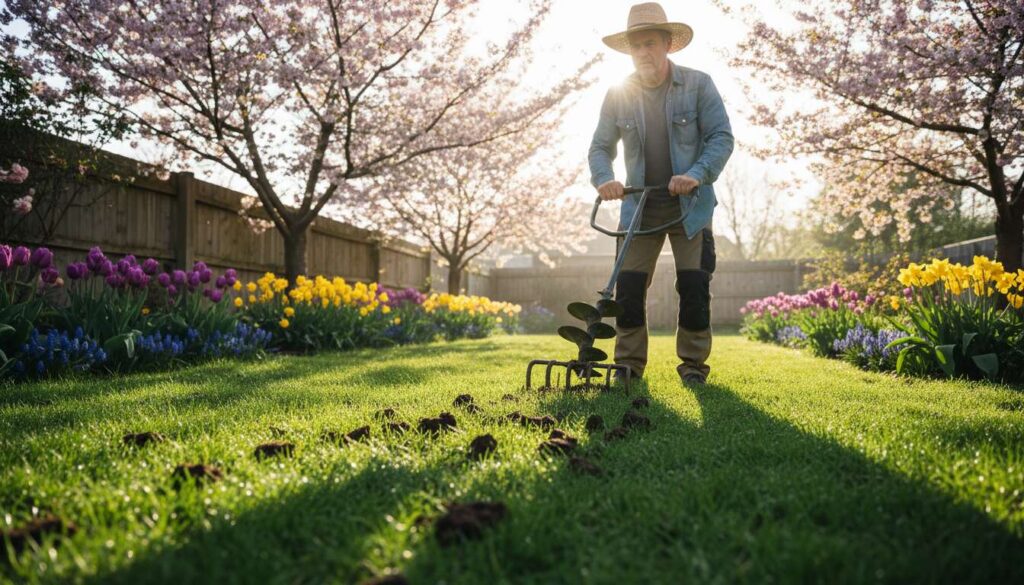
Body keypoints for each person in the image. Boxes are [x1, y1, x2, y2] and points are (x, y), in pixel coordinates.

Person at [589, 2, 734, 385]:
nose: (643, 53)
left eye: (650, 43)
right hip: (639, 208)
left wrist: (696, 173)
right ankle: (628, 367)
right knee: (629, 291)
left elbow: (721, 137)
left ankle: (692, 367)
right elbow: (600, 148)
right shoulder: (618, 93)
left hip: (690, 207)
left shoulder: (699, 84)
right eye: (636, 46)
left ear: (668, 44)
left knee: (693, 286)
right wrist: (605, 179)